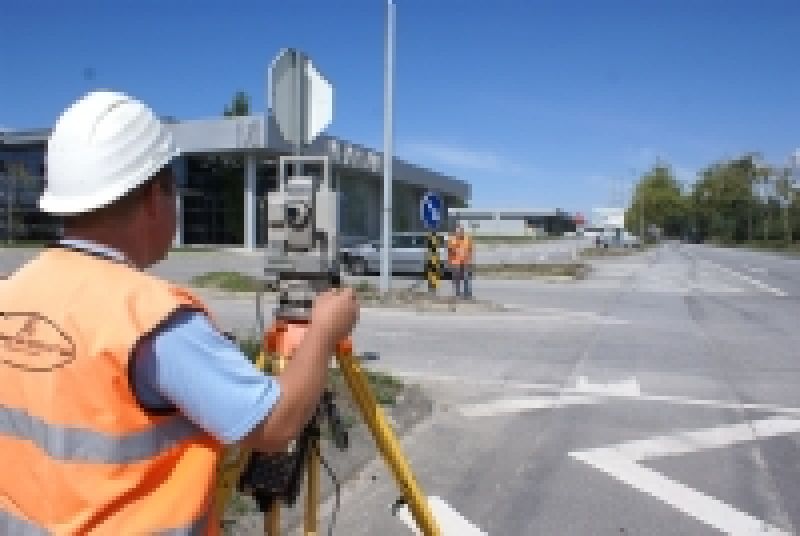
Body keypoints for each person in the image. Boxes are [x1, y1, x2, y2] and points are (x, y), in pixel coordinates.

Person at [0, 90, 359, 535]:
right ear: (155, 197)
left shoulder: (12, 293)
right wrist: (324, 331)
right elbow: (275, 425)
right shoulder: (150, 319)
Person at [447, 223, 474, 299]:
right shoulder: (452, 240)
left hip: (465, 262)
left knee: (466, 278)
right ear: (455, 232)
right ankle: (457, 294)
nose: (459, 232)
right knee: (457, 279)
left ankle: (467, 294)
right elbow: (450, 252)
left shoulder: (467, 239)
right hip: (456, 263)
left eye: (461, 231)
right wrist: (450, 263)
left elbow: (470, 251)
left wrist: (469, 261)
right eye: (458, 231)